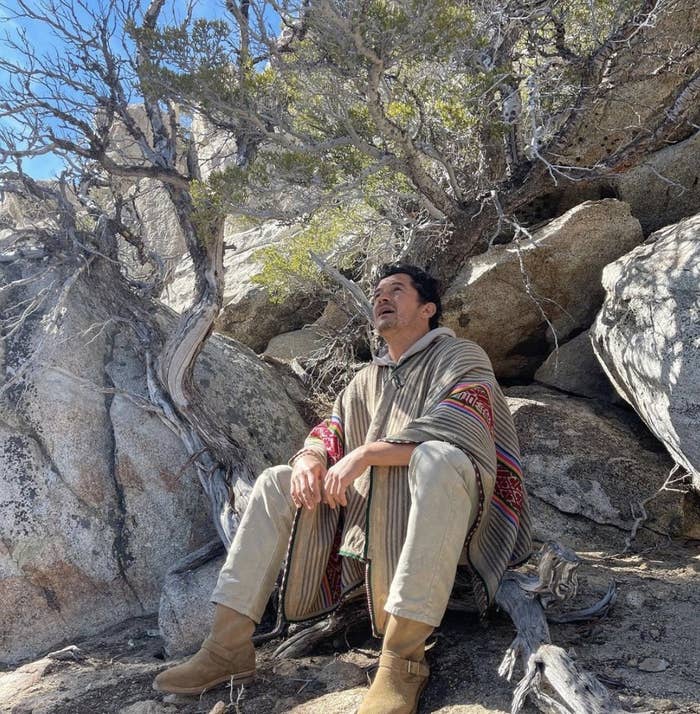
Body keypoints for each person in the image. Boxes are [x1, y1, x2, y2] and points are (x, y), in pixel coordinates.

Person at [154, 264, 531, 713]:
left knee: (437, 456)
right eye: (376, 293)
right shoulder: (365, 380)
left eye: (396, 291)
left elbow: (458, 426)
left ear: (428, 309)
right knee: (278, 480)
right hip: (373, 513)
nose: (381, 298)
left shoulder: (461, 356)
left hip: (458, 518)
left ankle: (402, 662)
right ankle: (227, 649)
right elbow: (328, 431)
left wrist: (365, 454)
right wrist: (312, 459)